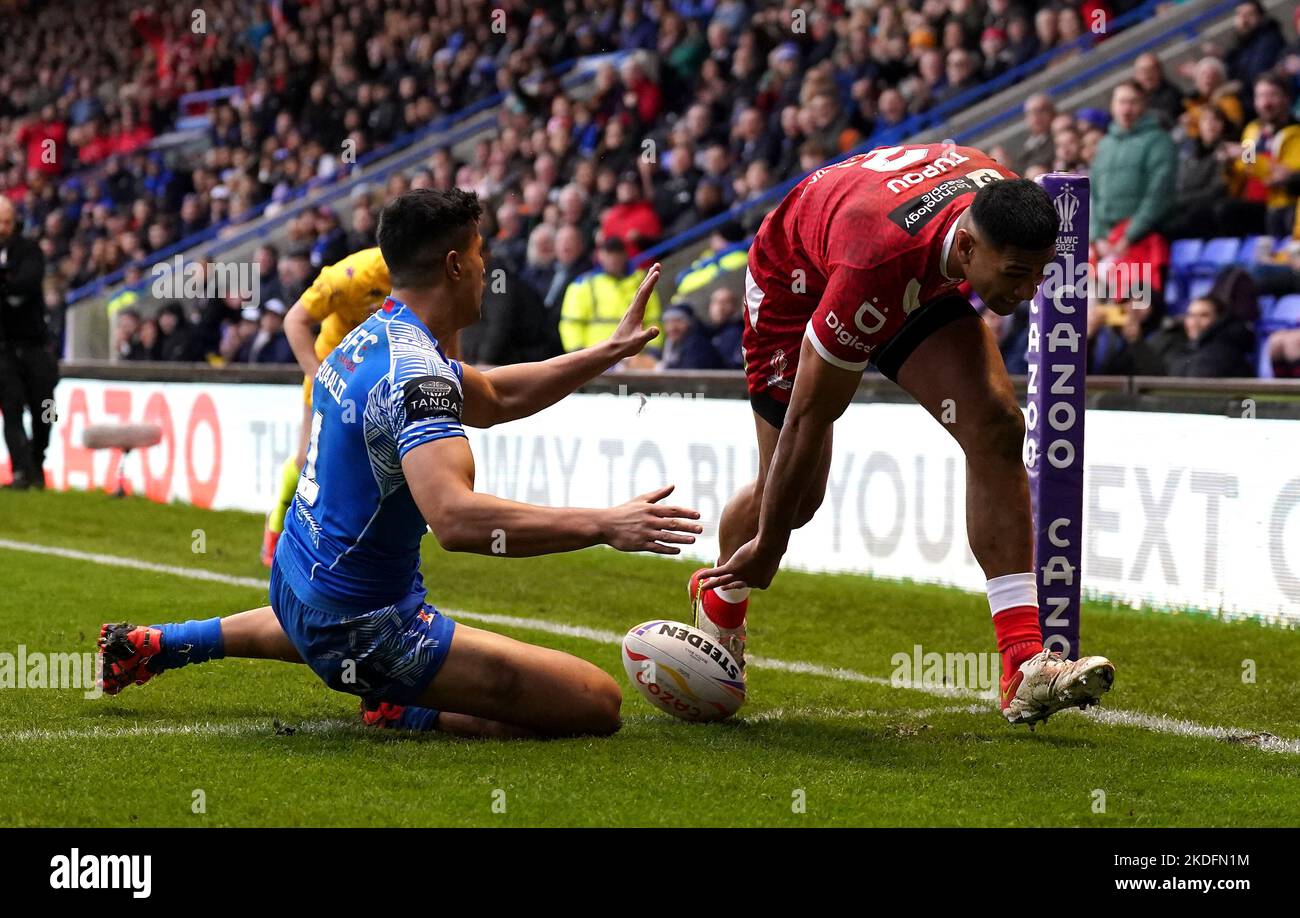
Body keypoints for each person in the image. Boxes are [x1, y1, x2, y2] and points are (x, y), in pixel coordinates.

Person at [98, 188, 703, 739]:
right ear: (455, 265)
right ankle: (401, 704)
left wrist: (606, 352)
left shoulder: (375, 335)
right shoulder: (417, 375)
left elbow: (495, 398)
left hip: (294, 580)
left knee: (330, 602)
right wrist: (605, 525)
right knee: (596, 703)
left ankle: (163, 644)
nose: (487, 265)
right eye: (479, 250)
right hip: (365, 627)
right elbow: (458, 522)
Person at [692, 143, 1115, 728]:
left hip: (906, 263)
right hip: (802, 278)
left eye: (1039, 274)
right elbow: (809, 417)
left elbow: (951, 248)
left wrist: (1010, 270)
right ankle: (720, 595)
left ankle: (1022, 664)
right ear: (968, 246)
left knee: (995, 425)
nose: (1028, 293)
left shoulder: (1002, 205)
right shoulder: (877, 264)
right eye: (1016, 275)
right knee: (792, 498)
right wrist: (769, 546)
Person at [260, 247, 391, 566]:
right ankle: (278, 521)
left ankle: (362, 547)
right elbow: (294, 320)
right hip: (333, 367)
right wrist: (316, 374)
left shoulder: (426, 276)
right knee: (309, 459)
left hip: (382, 374)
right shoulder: (348, 276)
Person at [0, 196, 58, 490]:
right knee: (11, 410)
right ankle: (21, 471)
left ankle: (37, 460)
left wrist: (5, 282)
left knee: (46, 407)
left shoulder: (29, 250)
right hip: (5, 349)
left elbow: (28, 282)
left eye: (7, 221)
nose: (3, 227)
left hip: (35, 346)